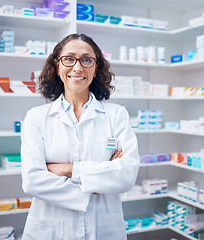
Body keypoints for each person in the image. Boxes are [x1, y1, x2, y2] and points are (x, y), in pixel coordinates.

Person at [21, 33, 140, 240]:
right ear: (57, 66)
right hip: (51, 228)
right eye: (69, 59)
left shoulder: (116, 114)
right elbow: (32, 181)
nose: (77, 68)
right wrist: (96, 183)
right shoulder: (37, 117)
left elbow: (127, 174)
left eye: (86, 60)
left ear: (96, 67)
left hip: (103, 227)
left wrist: (67, 170)